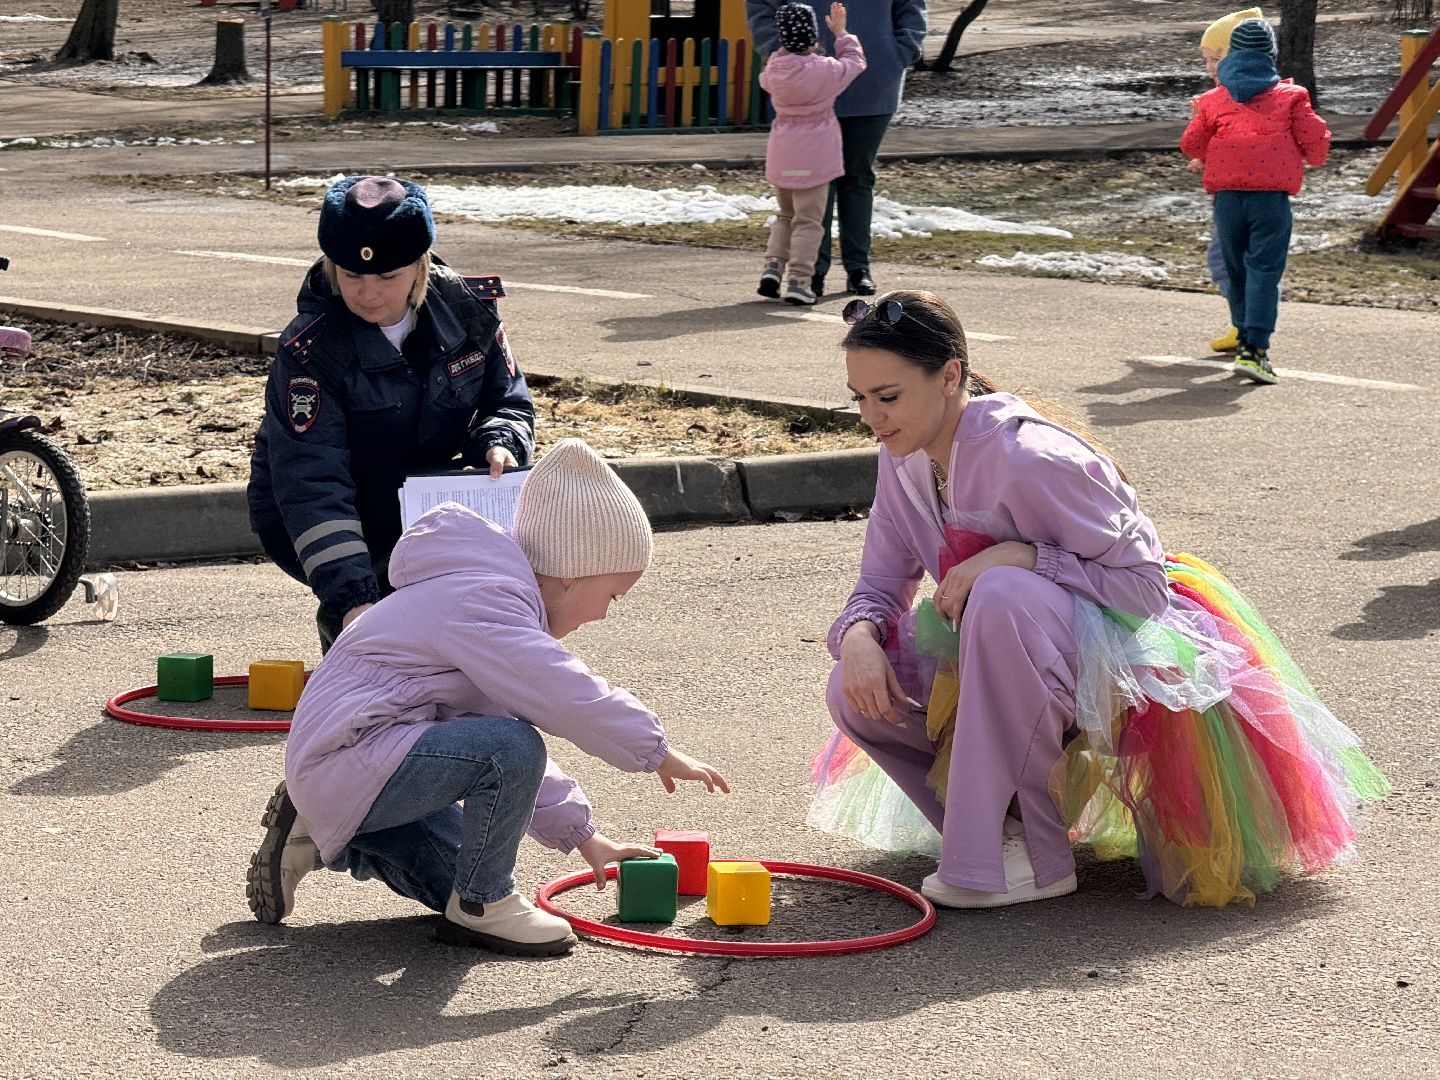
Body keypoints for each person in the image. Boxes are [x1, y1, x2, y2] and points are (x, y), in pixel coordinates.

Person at [810, 290, 1388, 909]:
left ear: (950, 376)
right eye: (861, 399)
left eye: (888, 396)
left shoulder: (1032, 457)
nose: (872, 416)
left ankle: (1042, 854)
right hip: (1015, 646)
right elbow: (879, 584)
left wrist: (1022, 556)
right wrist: (860, 638)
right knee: (853, 681)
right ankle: (991, 832)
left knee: (1003, 596)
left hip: (1121, 654)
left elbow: (1144, 589)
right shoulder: (901, 460)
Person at [246, 438, 730, 956]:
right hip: (352, 757)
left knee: (454, 875)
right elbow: (562, 694)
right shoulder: (486, 600)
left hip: (359, 766)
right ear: (572, 573)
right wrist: (654, 748)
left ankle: (319, 833)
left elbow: (497, 713)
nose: (605, 614)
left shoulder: (490, 605)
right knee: (511, 750)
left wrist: (585, 836)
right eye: (611, 594)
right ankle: (484, 903)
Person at [247, 174, 536, 652]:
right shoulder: (311, 348)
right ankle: (354, 652)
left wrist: (499, 440)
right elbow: (312, 479)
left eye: (387, 276)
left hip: (424, 491)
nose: (367, 293)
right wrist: (354, 600)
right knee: (377, 614)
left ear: (419, 266)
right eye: (351, 274)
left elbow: (507, 399)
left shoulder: (468, 310)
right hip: (319, 506)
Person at [1181, 18, 1331, 385]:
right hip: (1271, 200)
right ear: (1270, 56)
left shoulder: (1214, 100)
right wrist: (1308, 152)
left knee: (1237, 269)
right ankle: (1255, 349)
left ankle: (1241, 332)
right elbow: (1317, 144)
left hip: (1227, 199)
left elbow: (1191, 144)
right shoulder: (1291, 97)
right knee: (1264, 269)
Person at [748, 0, 926, 299]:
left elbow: (911, 6)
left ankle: (858, 268)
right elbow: (761, 5)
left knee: (858, 178)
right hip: (807, 82)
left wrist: (901, 51)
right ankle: (808, 273)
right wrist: (785, 52)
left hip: (874, 83)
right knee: (814, 187)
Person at [756, 3, 866, 307]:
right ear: (812, 36)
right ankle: (800, 280)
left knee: (786, 215)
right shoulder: (826, 70)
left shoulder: (774, 72)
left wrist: (782, 51)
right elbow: (855, 62)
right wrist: (841, 33)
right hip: (816, 155)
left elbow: (769, 74)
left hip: (783, 152)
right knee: (809, 221)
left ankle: (773, 267)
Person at [1195, 6, 1264, 355]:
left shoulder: (1242, 100)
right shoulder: (1235, 98)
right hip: (1238, 194)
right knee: (1235, 260)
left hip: (1241, 197)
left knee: (1227, 259)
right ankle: (1247, 326)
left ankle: (1247, 328)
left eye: (1215, 58)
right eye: (1206, 60)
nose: (1209, 68)